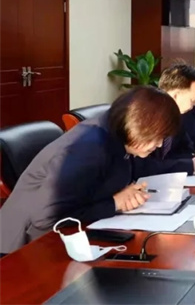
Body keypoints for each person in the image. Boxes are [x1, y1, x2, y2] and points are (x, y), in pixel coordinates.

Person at [0, 86, 182, 254]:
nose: (159, 144)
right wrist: (115, 203)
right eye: (158, 136)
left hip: (64, 235)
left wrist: (124, 194)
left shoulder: (116, 133)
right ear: (139, 124)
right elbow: (46, 217)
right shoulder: (88, 147)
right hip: (23, 248)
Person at [131, 63, 195, 178]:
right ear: (175, 95)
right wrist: (189, 165)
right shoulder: (145, 116)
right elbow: (143, 166)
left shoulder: (178, 116)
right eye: (193, 99)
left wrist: (191, 160)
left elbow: (186, 148)